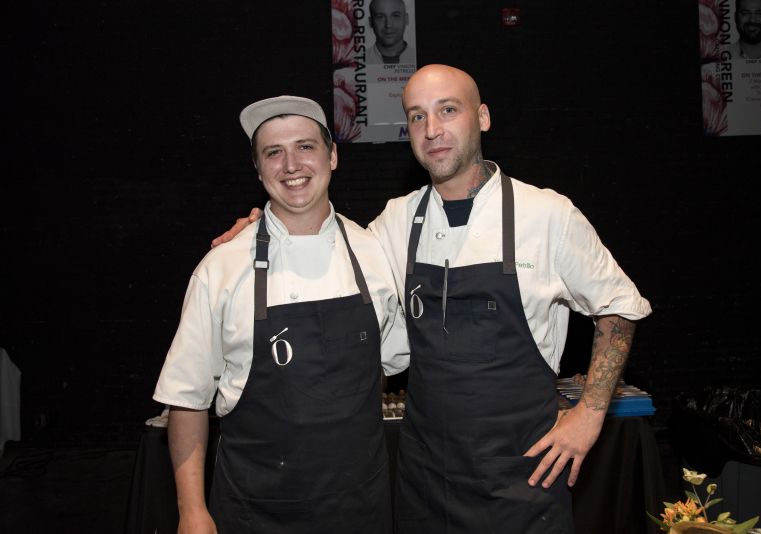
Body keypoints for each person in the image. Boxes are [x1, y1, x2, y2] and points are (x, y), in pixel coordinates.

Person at [213, 65, 652, 533]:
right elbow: (328, 244)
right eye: (417, 116)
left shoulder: (546, 215)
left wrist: (589, 415)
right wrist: (261, 230)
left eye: (448, 110)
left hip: (522, 478)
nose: (432, 129)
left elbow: (619, 306)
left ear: (482, 117)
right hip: (424, 481)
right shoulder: (397, 220)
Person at [154, 95, 409, 534]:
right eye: (274, 152)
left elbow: (386, 365)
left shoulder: (373, 251)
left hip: (360, 506)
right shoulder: (221, 267)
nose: (291, 165)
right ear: (258, 169)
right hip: (256, 510)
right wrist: (191, 511)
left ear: (332, 156)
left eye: (305, 146)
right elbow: (187, 399)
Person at [366, 0, 416, 65]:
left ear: (406, 19)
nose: (388, 25)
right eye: (380, 17)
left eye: (395, 16)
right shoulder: (357, 61)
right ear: (371, 22)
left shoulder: (418, 56)